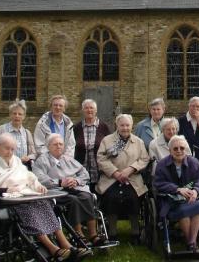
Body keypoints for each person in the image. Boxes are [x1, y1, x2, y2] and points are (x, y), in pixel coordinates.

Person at [0, 133, 87, 261]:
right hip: (0, 203)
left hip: (22, 195)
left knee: (44, 203)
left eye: (13, 149)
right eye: (7, 148)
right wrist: (4, 189)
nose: (10, 152)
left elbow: (28, 176)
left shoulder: (15, 160)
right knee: (27, 209)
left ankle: (67, 245)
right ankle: (53, 249)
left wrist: (37, 185)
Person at [33, 134, 106, 246]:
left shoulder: (68, 159)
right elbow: (39, 178)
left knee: (88, 197)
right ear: (48, 146)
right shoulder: (41, 161)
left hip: (75, 188)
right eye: (55, 144)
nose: (58, 146)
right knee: (74, 200)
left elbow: (84, 174)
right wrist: (59, 182)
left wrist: (76, 181)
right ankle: (79, 235)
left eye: (61, 144)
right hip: (56, 192)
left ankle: (93, 235)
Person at [96, 114, 150, 242]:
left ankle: (135, 229)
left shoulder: (138, 142)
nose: (125, 128)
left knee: (134, 197)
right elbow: (101, 158)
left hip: (132, 178)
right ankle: (112, 229)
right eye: (122, 125)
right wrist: (115, 173)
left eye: (127, 125)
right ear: (117, 125)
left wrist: (130, 169)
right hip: (111, 178)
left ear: (132, 126)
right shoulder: (107, 140)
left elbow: (144, 159)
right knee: (111, 196)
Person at [154, 136, 199, 253]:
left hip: (193, 199)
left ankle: (191, 243)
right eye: (175, 148)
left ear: (186, 149)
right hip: (171, 202)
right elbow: (158, 183)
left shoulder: (193, 162)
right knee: (184, 210)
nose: (179, 151)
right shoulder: (162, 164)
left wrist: (196, 190)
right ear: (170, 150)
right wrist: (177, 189)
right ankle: (192, 243)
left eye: (182, 148)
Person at [73, 98, 111, 192]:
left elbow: (110, 146)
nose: (89, 110)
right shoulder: (76, 128)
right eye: (86, 108)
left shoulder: (104, 127)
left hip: (99, 170)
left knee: (99, 194)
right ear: (82, 110)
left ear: (96, 110)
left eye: (91, 108)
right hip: (80, 169)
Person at [0, 100, 36, 165]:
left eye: (20, 114)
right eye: (14, 113)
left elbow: (33, 154)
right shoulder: (0, 130)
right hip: (3, 168)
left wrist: (28, 157)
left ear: (24, 116)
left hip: (22, 168)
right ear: (10, 115)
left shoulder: (27, 133)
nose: (17, 116)